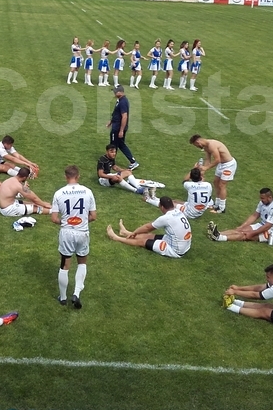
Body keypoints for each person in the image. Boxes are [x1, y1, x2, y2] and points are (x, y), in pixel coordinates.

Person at [51, 165, 96, 309]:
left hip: (67, 233)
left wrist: (65, 222)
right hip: (82, 233)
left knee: (65, 265)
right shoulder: (88, 192)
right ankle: (76, 292)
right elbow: (93, 216)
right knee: (82, 262)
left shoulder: (59, 193)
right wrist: (81, 221)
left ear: (66, 176)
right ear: (78, 176)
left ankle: (63, 297)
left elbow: (54, 218)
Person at [106, 196, 192, 258]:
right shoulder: (178, 212)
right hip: (182, 245)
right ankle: (125, 233)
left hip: (175, 250)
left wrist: (135, 232)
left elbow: (147, 228)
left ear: (162, 207)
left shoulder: (166, 218)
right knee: (150, 236)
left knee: (143, 242)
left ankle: (116, 238)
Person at [207, 188, 273, 243]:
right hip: (262, 225)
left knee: (245, 235)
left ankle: (219, 238)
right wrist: (242, 226)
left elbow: (267, 226)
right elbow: (255, 215)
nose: (261, 200)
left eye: (263, 198)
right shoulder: (263, 203)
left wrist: (253, 233)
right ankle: (217, 233)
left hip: (271, 232)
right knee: (240, 230)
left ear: (270, 197)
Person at [190, 134, 236, 213]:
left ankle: (222, 208)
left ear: (198, 142)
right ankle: (216, 204)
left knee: (222, 185)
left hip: (228, 165)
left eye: (196, 145)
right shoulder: (206, 147)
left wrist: (206, 168)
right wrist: (203, 171)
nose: (197, 147)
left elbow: (217, 159)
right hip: (221, 165)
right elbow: (208, 160)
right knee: (215, 182)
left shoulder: (212, 145)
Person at [107, 85, 139, 170]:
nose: (114, 93)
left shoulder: (123, 102)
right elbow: (116, 113)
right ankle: (133, 161)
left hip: (118, 128)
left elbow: (124, 116)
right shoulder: (120, 100)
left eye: (115, 91)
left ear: (120, 92)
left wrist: (121, 130)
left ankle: (111, 163)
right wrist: (111, 121)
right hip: (117, 126)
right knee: (121, 144)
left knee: (113, 145)